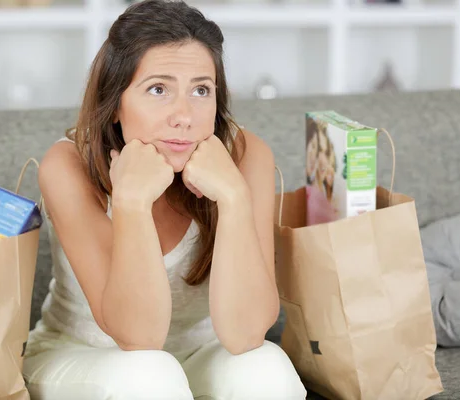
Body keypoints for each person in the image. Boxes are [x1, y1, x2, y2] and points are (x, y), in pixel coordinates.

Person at [22, 1, 307, 399]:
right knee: (150, 375)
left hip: (200, 356)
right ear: (115, 102)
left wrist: (233, 197)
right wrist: (131, 202)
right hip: (87, 356)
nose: (184, 116)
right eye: (158, 89)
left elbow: (246, 334)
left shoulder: (245, 156)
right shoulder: (68, 164)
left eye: (201, 90)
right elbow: (138, 336)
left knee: (267, 369)